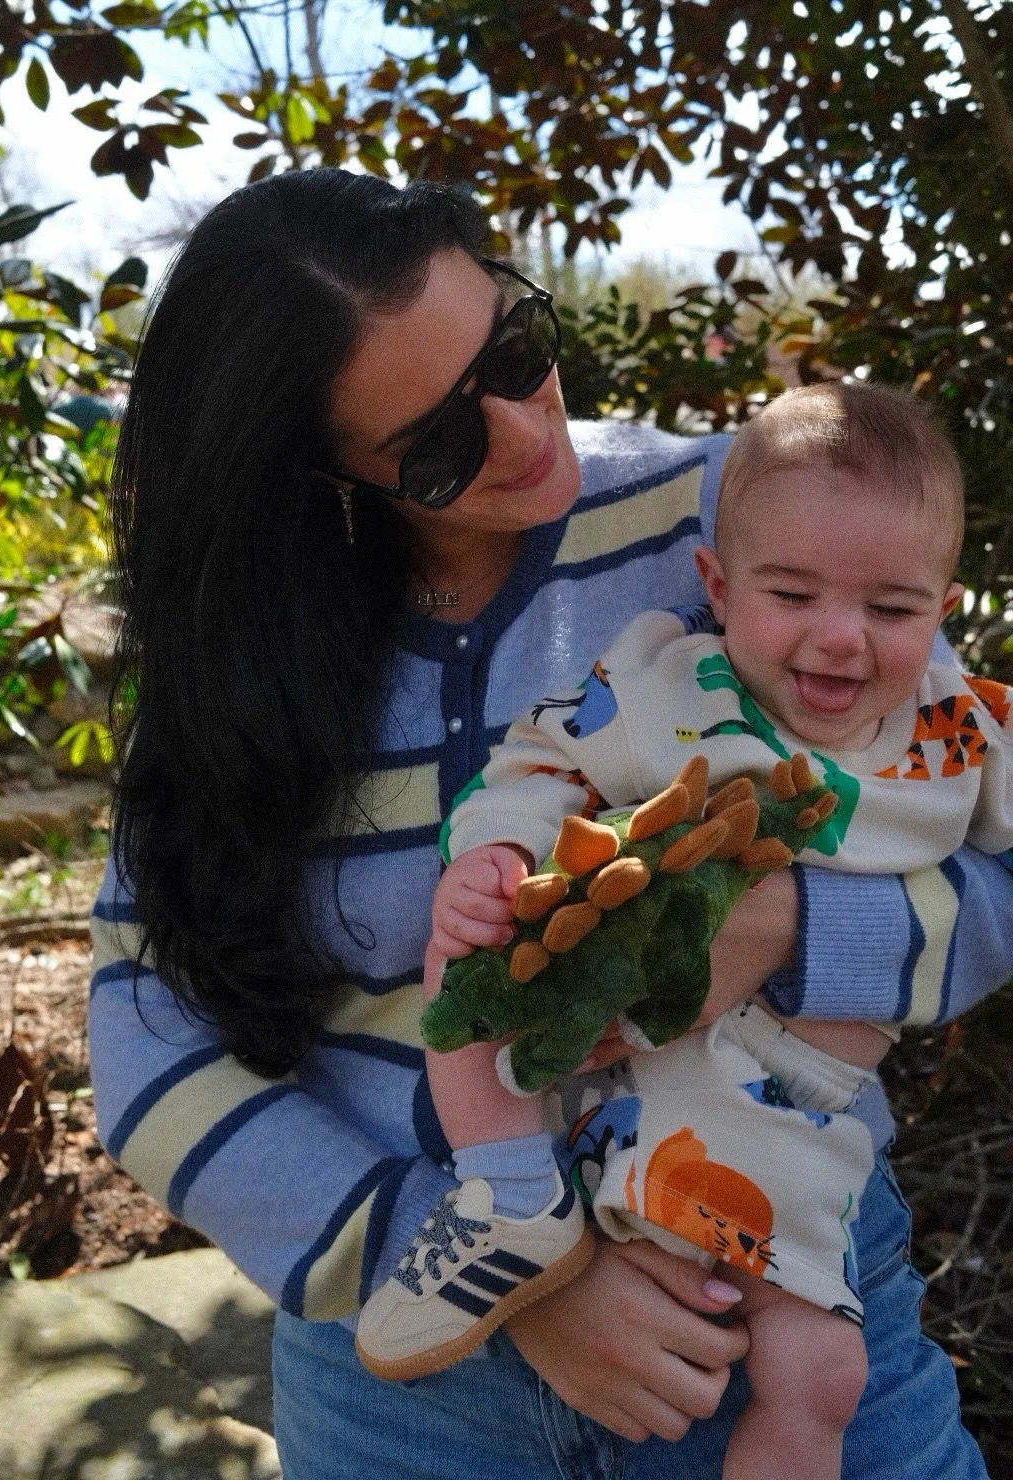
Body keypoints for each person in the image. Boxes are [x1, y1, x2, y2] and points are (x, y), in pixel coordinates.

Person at [88, 167, 1013, 1480]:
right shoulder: (236, 673)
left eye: (514, 355)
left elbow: (975, 832)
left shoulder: (736, 517)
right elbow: (147, 1038)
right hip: (411, 1379)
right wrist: (510, 1276)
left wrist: (796, 931)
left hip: (777, 1300)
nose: (525, 434)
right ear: (314, 470)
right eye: (437, 445)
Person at [353, 383, 1013, 1480]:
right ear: (717, 584)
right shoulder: (670, 681)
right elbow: (538, 759)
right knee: (467, 960)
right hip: (583, 1077)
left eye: (893, 610)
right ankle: (505, 1193)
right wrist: (497, 855)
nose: (841, 639)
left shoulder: (960, 734)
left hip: (788, 1125)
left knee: (819, 1374)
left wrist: (799, 932)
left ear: (941, 609)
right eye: (790, 592)